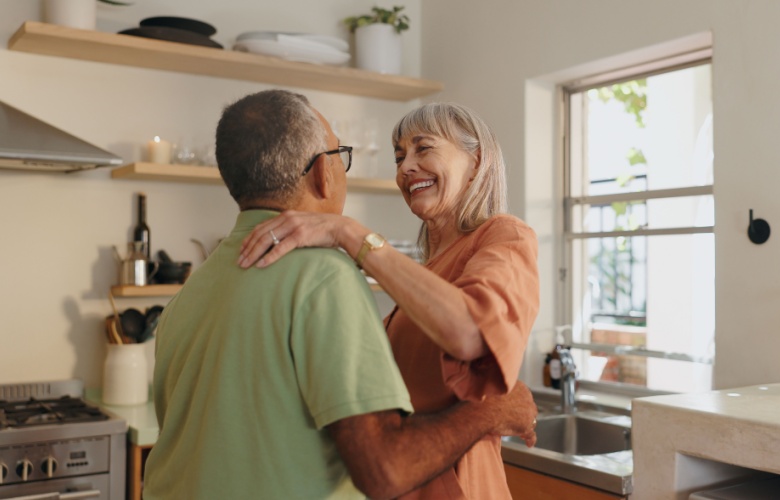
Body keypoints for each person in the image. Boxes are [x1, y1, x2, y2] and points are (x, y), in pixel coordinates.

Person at [142, 90, 537, 500]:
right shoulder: (332, 276)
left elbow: (472, 332)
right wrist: (492, 410)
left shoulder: (194, 290)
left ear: (476, 162)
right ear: (322, 174)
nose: (406, 167)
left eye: (423, 148)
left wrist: (347, 232)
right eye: (399, 155)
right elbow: (378, 460)